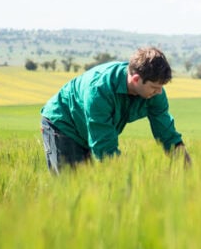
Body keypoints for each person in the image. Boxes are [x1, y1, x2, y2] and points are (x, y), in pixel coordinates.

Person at [40, 46, 191, 173]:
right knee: (70, 187)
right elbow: (103, 145)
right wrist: (129, 180)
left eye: (161, 88)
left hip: (90, 131)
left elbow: (167, 133)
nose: (159, 92)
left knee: (92, 189)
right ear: (136, 79)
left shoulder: (155, 94)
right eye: (154, 87)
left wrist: (188, 169)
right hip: (63, 124)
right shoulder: (99, 90)